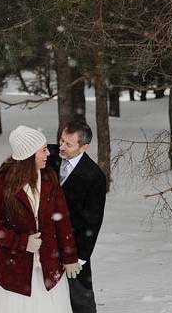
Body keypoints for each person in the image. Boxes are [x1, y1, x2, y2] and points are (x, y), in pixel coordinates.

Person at [0, 125, 81, 313]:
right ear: (29, 155)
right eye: (42, 150)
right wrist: (22, 242)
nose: (47, 154)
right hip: (15, 271)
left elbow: (62, 220)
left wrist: (70, 256)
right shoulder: (3, 182)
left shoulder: (49, 177)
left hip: (49, 267)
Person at [47, 119, 107, 313]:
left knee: (80, 297)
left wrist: (80, 258)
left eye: (68, 144)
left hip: (72, 244)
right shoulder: (49, 155)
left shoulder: (94, 176)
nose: (61, 147)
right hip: (45, 238)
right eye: (61, 140)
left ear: (84, 147)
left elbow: (93, 220)